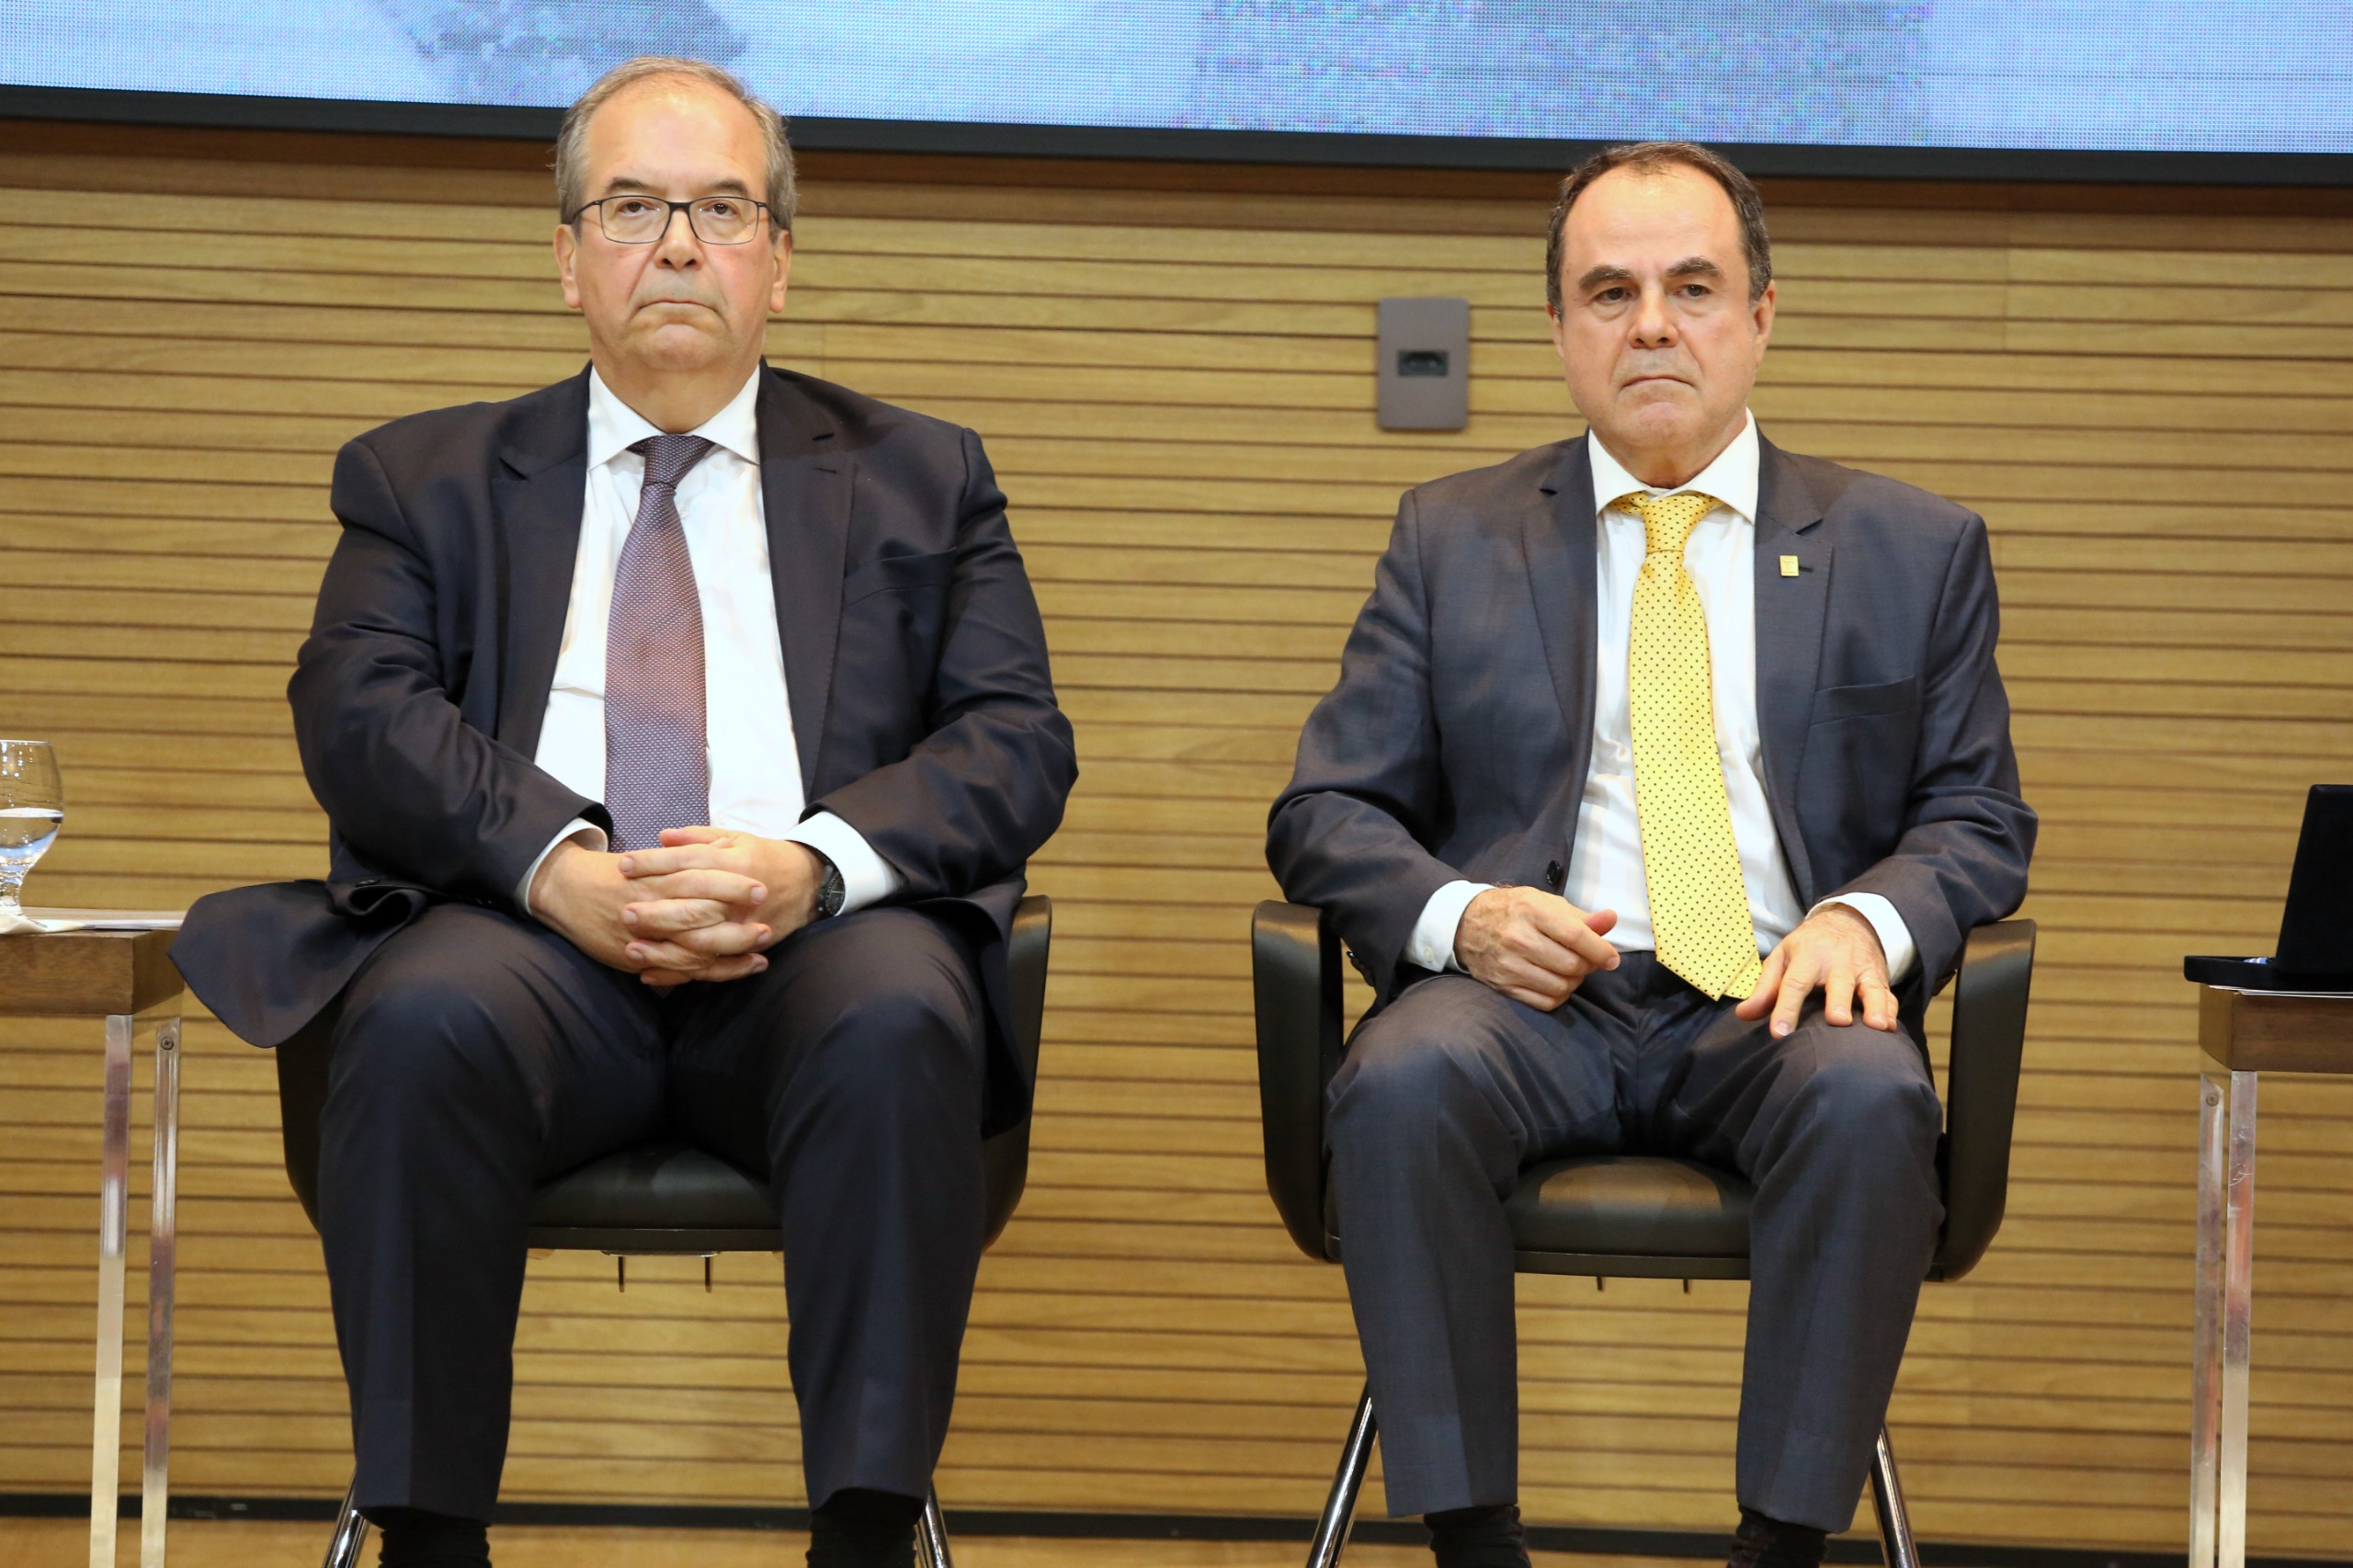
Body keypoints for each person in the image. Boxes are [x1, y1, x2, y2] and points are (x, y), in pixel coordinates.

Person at [171, 57, 1075, 1568]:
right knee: (417, 1015)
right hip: (527, 949)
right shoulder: (424, 476)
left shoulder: (923, 476)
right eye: (633, 207)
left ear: (779, 261)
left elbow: (1016, 738)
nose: (676, 246)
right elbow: (359, 709)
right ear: (567, 257)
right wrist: (554, 864)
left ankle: (862, 1536)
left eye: (721, 209)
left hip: (810, 952)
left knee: (900, 1012)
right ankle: (427, 1537)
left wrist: (812, 867)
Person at [1265, 142, 2034, 1568]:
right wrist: (1462, 913)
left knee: (1871, 1094)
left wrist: (1863, 920)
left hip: (1773, 1000)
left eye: (1693, 287)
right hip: (1528, 1002)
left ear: (1762, 314)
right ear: (1560, 329)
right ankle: (1473, 1546)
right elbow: (1324, 810)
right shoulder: (1452, 536)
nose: (1653, 326)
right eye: (1610, 293)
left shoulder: (1912, 547)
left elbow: (1978, 815)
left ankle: (1778, 1551)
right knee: (1402, 1077)